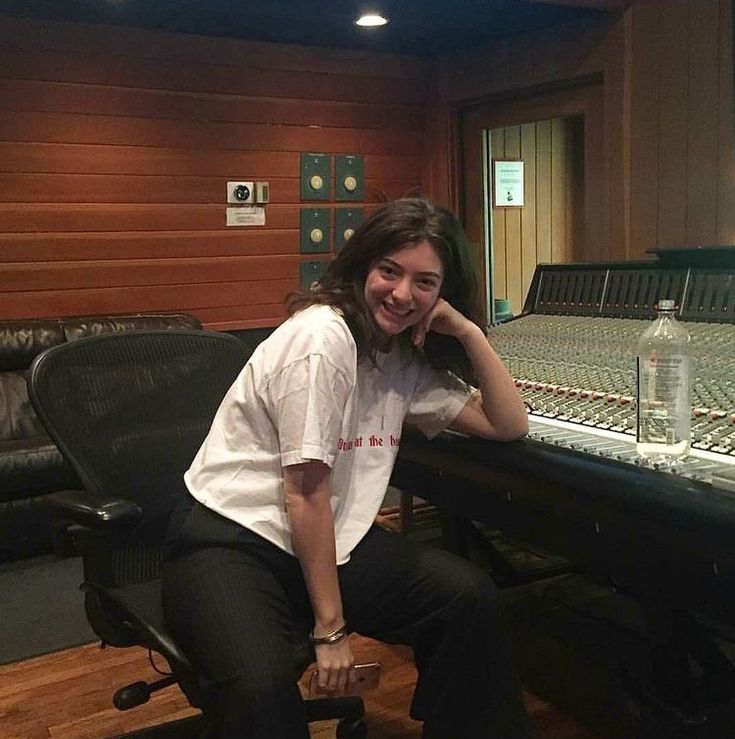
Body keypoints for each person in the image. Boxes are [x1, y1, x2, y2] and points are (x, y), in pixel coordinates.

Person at [162, 197, 531, 738]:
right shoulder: (322, 339)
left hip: (326, 538)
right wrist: (330, 630)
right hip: (233, 538)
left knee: (467, 598)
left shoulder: (399, 355)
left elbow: (507, 424)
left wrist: (471, 332)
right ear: (363, 266)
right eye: (390, 271)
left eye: (425, 282)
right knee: (260, 690)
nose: (403, 294)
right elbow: (305, 493)